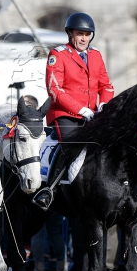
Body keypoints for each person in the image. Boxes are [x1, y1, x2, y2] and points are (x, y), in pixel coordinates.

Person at [33, 12, 114, 210]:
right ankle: (49, 190)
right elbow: (55, 90)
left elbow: (106, 85)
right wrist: (80, 109)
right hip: (65, 115)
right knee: (70, 144)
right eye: (80, 34)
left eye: (87, 34)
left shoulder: (95, 55)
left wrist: (103, 104)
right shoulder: (58, 55)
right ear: (70, 34)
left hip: (93, 113)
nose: (84, 38)